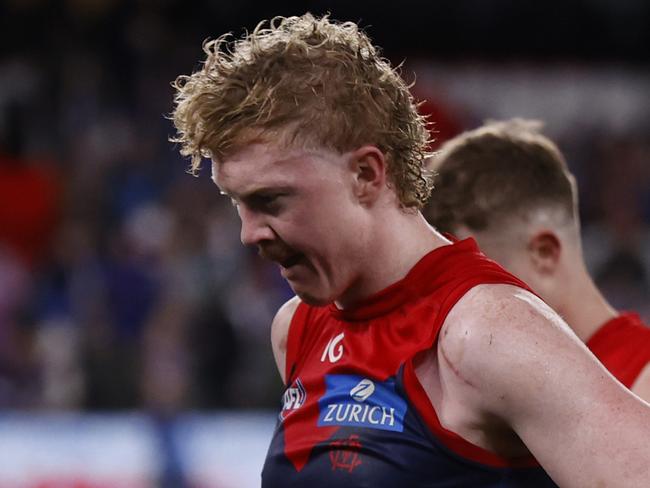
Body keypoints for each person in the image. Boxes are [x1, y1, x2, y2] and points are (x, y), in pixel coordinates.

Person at [170, 14, 650, 487]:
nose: (248, 234)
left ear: (366, 175)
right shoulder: (296, 327)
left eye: (269, 200)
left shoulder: (485, 332)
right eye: (237, 203)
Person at [424, 119, 650, 402]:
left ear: (544, 252)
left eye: (474, 282)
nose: (456, 309)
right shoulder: (477, 392)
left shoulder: (642, 385)